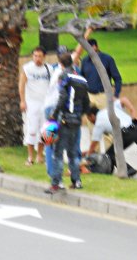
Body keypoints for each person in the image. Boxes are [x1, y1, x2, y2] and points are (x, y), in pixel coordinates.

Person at [45, 52, 90, 193]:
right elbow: (86, 103)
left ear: (61, 63)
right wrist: (79, 115)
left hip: (64, 119)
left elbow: (63, 97)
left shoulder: (64, 76)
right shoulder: (82, 79)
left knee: (58, 153)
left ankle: (56, 184)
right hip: (76, 121)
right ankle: (76, 181)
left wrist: (54, 114)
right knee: (73, 154)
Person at [20, 46, 51, 166]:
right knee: (32, 129)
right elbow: (22, 85)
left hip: (45, 103)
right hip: (32, 103)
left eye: (40, 56)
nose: (37, 58)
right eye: (35, 56)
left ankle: (40, 155)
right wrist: (22, 101)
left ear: (44, 57)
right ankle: (30, 156)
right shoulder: (27, 68)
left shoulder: (48, 69)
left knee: (44, 130)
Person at [81, 38, 122, 109]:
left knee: (105, 119)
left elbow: (117, 78)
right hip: (89, 96)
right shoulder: (84, 61)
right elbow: (82, 79)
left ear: (95, 47)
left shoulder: (107, 59)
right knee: (90, 120)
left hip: (104, 96)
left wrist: (116, 95)